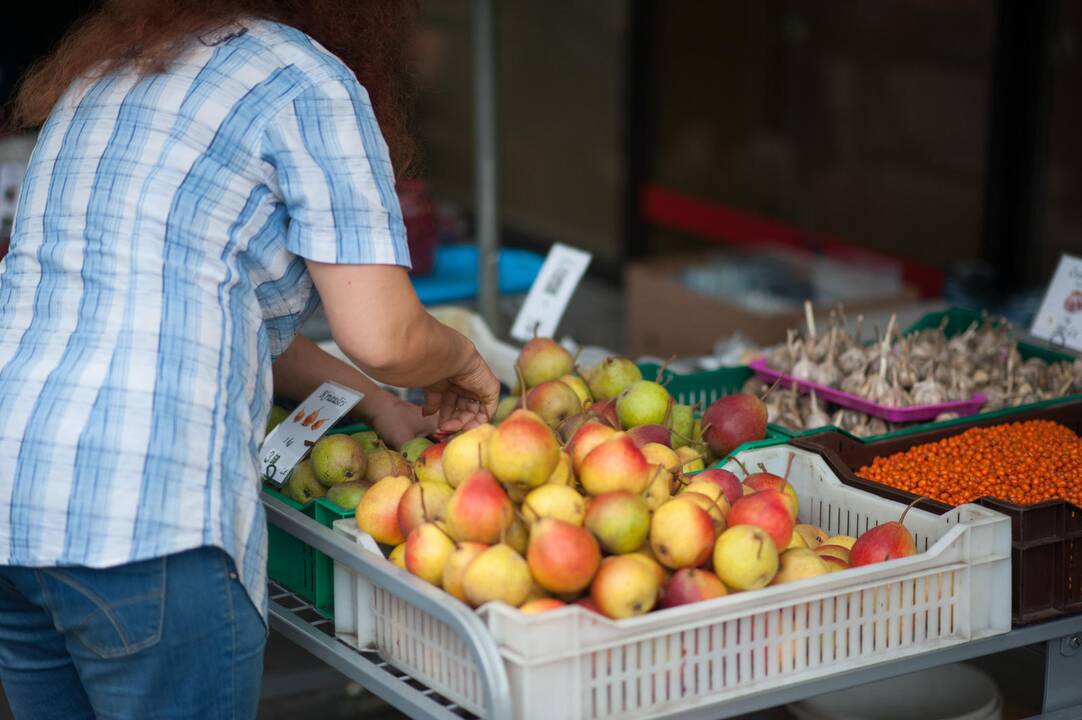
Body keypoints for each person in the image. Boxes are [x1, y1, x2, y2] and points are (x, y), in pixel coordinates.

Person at [0, 2, 501, 718]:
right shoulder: (305, 81)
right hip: (143, 515)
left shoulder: (104, 74)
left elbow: (222, 314)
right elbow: (386, 335)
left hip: (13, 501)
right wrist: (463, 359)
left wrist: (383, 404)